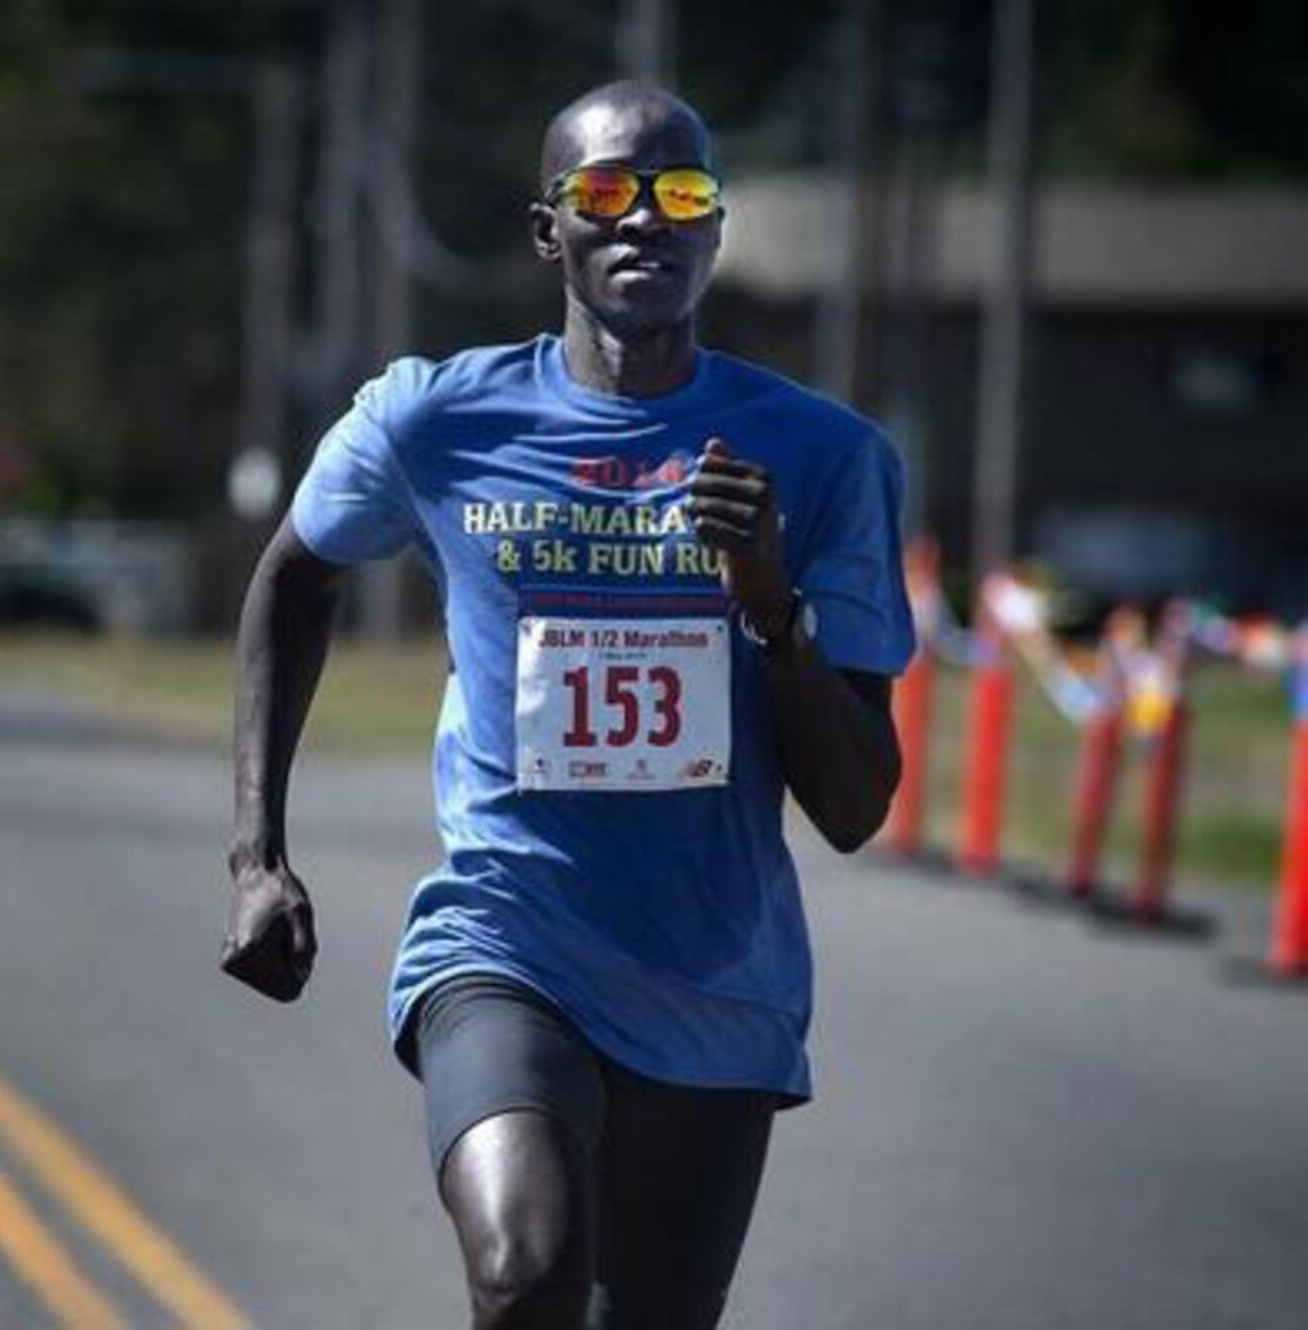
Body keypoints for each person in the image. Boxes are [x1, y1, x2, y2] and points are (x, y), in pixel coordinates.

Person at [223, 79, 914, 1329]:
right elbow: (292, 577)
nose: (642, 220)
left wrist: (772, 606)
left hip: (715, 980)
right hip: (504, 943)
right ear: (549, 230)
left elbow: (857, 804)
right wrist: (255, 856)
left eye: (680, 194)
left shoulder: (822, 458)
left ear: (714, 229)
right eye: (602, 193)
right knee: (525, 1271)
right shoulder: (434, 417)